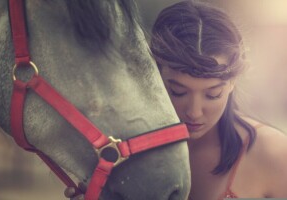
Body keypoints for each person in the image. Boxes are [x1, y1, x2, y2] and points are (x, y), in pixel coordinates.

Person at [65, 1, 287, 199]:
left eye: (213, 94)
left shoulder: (275, 154)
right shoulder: (123, 154)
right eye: (178, 92)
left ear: (233, 82)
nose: (195, 112)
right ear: (153, 76)